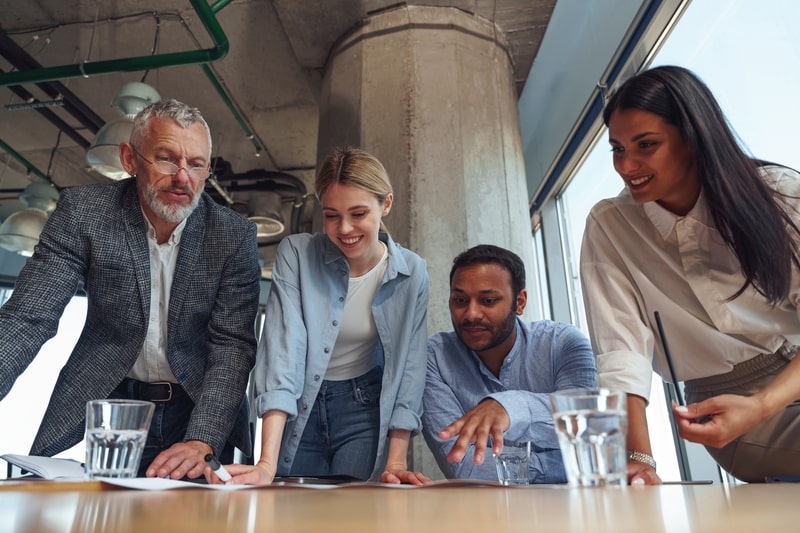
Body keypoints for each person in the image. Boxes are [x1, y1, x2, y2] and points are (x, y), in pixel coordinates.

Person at [0, 99, 261, 479]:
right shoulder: (84, 213)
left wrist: (202, 439)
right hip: (111, 402)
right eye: (167, 158)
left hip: (197, 408)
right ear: (129, 158)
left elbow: (232, 347)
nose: (182, 177)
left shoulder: (234, 236)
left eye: (196, 163)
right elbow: (29, 315)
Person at [580, 65, 800, 485]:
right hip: (728, 406)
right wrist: (640, 458)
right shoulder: (610, 226)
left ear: (693, 137)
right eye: (617, 149)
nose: (627, 165)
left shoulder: (780, 194)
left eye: (646, 145)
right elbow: (621, 351)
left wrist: (767, 402)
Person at [223, 148, 430, 485]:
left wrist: (395, 461)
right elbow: (282, 352)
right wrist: (265, 462)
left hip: (362, 409)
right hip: (298, 405)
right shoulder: (297, 254)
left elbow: (409, 367)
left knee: (350, 515)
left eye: (359, 213)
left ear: (386, 204)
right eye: (332, 215)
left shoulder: (412, 273)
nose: (344, 228)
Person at [422, 244, 596, 483]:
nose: (471, 313)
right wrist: (562, 464)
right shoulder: (434, 358)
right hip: (488, 513)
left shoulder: (564, 344)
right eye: (460, 300)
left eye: (488, 300)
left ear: (520, 302)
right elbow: (464, 469)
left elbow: (587, 429)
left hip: (576, 508)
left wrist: (510, 407)